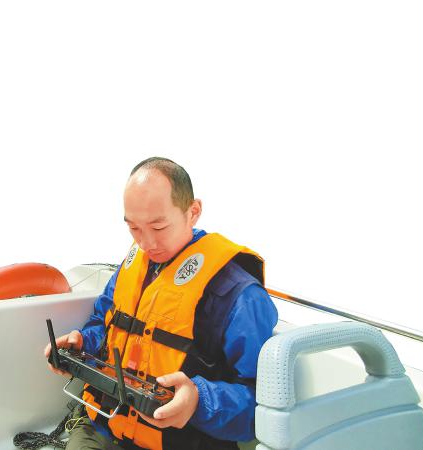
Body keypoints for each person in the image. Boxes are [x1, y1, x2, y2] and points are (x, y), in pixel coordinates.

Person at [44, 157, 278, 450]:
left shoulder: (241, 296)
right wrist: (83, 344)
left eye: (159, 226)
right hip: (102, 426)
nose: (146, 244)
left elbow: (264, 406)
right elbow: (102, 325)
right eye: (134, 228)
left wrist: (198, 400)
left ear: (193, 212)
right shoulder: (135, 265)